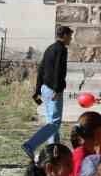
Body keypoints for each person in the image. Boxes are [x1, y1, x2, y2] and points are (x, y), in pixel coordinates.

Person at [24, 26, 74, 160]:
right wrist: (57, 90)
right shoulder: (61, 49)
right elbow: (59, 70)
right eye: (69, 36)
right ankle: (31, 144)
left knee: (51, 121)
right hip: (53, 90)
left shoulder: (49, 48)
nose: (70, 39)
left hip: (45, 88)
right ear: (63, 35)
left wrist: (38, 90)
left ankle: (54, 150)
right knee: (54, 123)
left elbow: (41, 69)